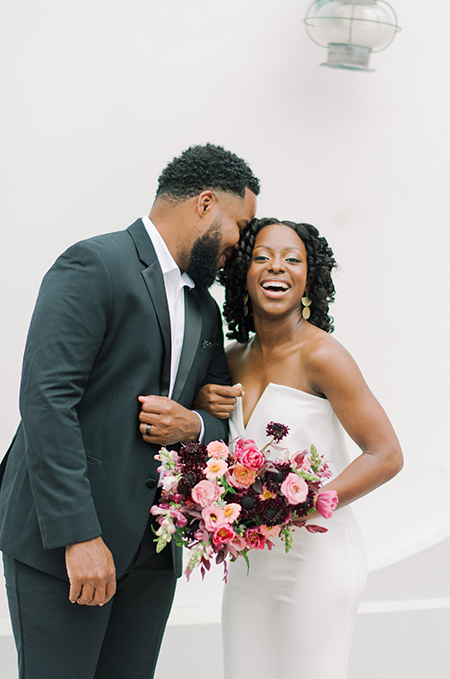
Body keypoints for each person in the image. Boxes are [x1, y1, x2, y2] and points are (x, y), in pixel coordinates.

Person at [0, 143, 258, 679]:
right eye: (240, 224)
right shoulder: (94, 263)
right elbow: (47, 401)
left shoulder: (204, 309)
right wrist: (79, 536)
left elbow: (214, 420)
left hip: (152, 551)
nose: (241, 243)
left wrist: (195, 424)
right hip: (68, 541)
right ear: (205, 204)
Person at [194, 217, 403, 679]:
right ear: (243, 275)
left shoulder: (323, 356)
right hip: (249, 566)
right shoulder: (230, 360)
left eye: (293, 260)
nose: (277, 268)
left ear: (309, 279)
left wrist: (305, 505)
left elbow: (386, 454)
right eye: (262, 257)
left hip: (318, 563)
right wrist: (205, 401)